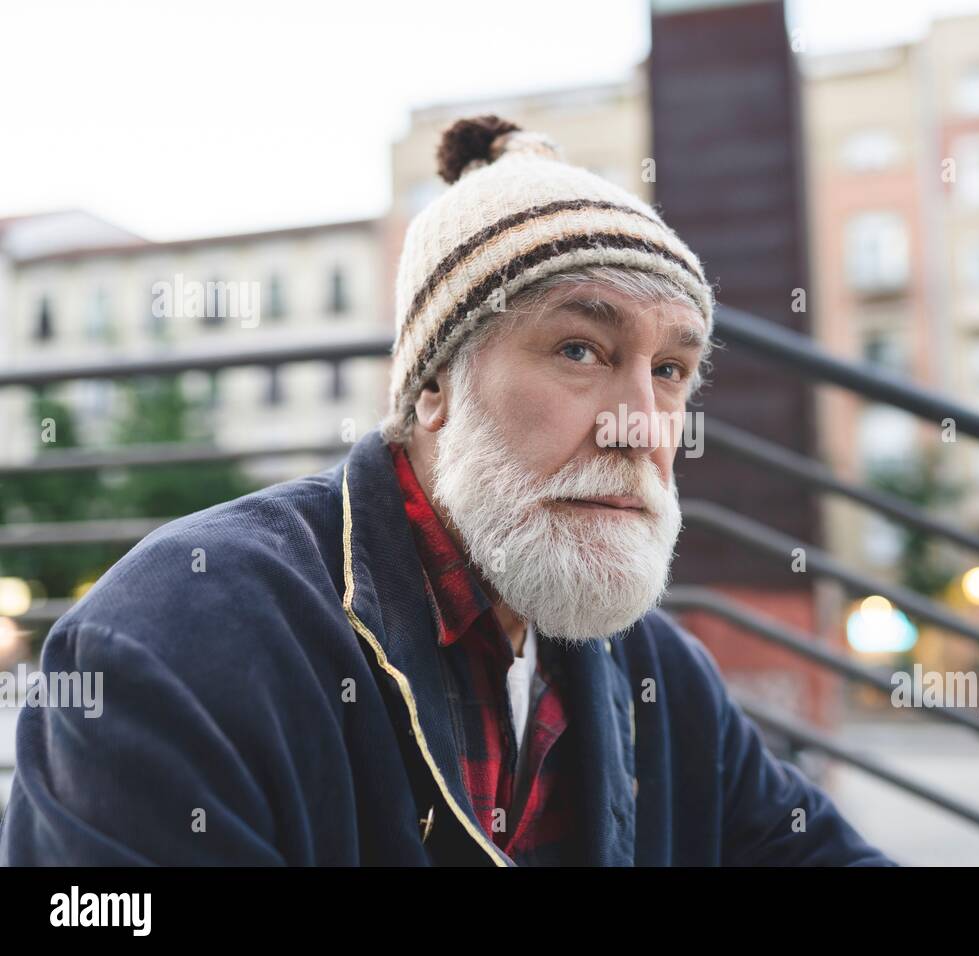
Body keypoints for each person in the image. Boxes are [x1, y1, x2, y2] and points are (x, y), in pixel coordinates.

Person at [0, 115, 895, 867]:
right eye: (580, 350)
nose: (640, 425)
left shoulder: (656, 675)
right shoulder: (171, 643)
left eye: (669, 370)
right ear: (433, 388)